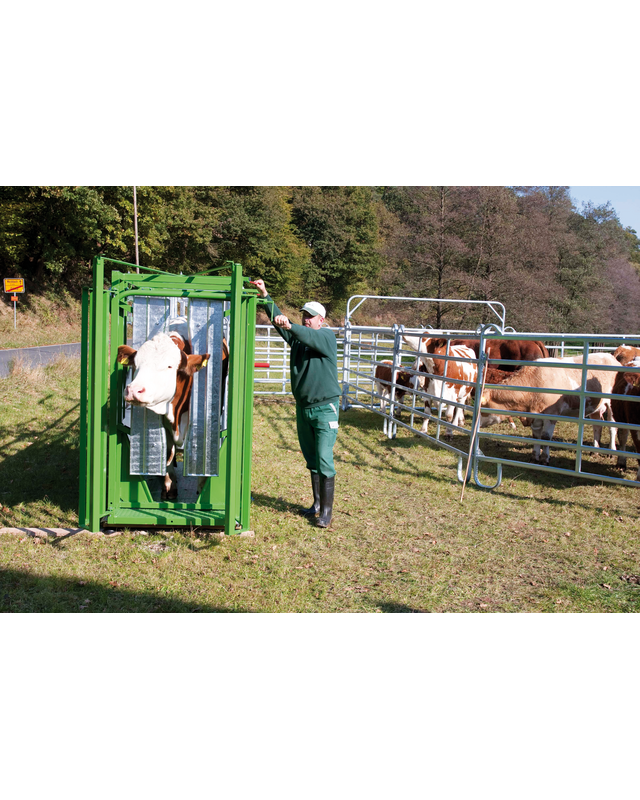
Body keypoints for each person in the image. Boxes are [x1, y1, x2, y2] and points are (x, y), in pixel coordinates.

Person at [250, 279, 341, 528]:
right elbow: (283, 325)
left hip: (324, 408)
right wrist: (266, 296)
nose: (307, 319)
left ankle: (327, 513)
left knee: (323, 457)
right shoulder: (299, 340)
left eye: (310, 316)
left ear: (321, 319)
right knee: (311, 458)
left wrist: (291, 325)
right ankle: (317, 505)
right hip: (304, 409)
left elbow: (304, 332)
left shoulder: (325, 337)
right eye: (304, 316)